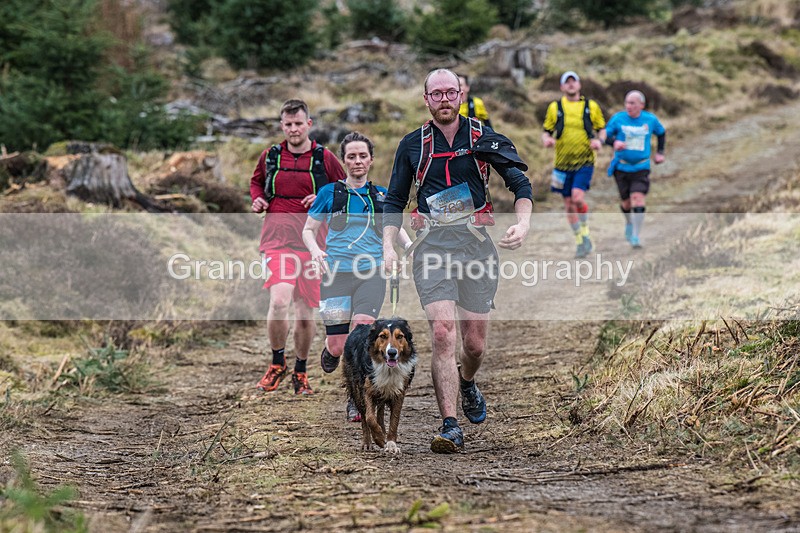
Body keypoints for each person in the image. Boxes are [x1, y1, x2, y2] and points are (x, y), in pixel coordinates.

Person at [382, 68, 533, 453]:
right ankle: (450, 425)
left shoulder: (483, 137)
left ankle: (467, 381)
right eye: (437, 94)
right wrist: (388, 246)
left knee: (475, 345)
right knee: (442, 333)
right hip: (432, 248)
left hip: (475, 247)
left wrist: (523, 223)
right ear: (426, 99)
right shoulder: (412, 145)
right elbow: (394, 201)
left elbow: (519, 183)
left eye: (451, 92)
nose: (445, 99)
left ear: (461, 95)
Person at [302, 131, 412, 421]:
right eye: (351, 156)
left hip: (371, 274)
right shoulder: (329, 193)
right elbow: (308, 230)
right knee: (339, 345)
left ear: (371, 159)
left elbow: (397, 228)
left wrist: (410, 248)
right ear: (344, 160)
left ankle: (356, 399)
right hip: (335, 275)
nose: (357, 161)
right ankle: (331, 352)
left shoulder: (382, 196)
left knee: (362, 331)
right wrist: (315, 251)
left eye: (363, 155)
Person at [250, 98, 346, 395]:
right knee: (279, 301)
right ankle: (277, 362)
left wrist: (322, 199)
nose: (293, 129)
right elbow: (256, 183)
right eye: (288, 124)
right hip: (277, 238)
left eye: (298, 124)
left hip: (313, 243)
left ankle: (301, 371)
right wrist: (258, 199)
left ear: (309, 124)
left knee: (305, 312)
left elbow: (344, 191)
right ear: (282, 126)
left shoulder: (324, 158)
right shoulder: (270, 156)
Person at [541, 71, 606, 258]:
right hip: (561, 164)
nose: (571, 84)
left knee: (577, 198)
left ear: (579, 85)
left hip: (585, 161)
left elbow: (602, 129)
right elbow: (546, 131)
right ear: (562, 87)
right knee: (568, 204)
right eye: (567, 82)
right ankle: (580, 241)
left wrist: (599, 141)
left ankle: (585, 232)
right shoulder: (555, 107)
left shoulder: (590, 106)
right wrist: (546, 140)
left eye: (573, 81)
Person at [604, 90, 666, 248]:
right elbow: (604, 136)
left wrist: (660, 153)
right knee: (626, 203)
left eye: (632, 103)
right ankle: (629, 222)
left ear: (641, 105)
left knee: (637, 199)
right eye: (626, 102)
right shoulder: (618, 119)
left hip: (641, 167)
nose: (628, 106)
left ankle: (636, 235)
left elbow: (661, 133)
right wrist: (614, 142)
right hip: (621, 167)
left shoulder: (650, 119)